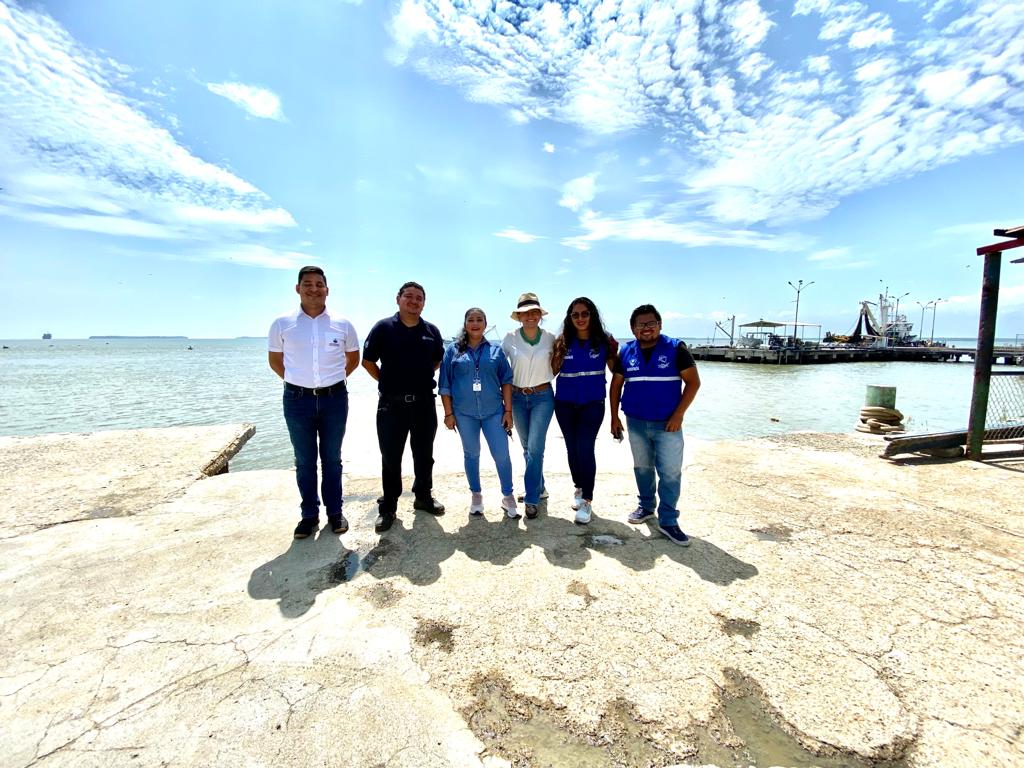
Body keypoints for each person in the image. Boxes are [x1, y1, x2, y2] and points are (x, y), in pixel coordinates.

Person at [268, 266, 360, 539]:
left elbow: (353, 359)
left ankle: (335, 512)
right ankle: (309, 515)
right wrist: (300, 382)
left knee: (332, 458)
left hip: (334, 399)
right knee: (305, 460)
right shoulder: (282, 324)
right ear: (298, 289)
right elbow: (275, 361)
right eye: (307, 284)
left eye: (319, 284)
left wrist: (331, 381)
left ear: (327, 290)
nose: (314, 289)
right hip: (297, 400)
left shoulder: (343, 324)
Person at [609, 304, 700, 546]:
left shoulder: (676, 348)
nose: (646, 328)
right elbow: (616, 386)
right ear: (633, 328)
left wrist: (679, 415)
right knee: (642, 467)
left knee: (670, 472)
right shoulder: (626, 352)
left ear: (660, 325)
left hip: (668, 424)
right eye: (641, 324)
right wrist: (614, 417)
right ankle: (646, 506)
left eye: (651, 323)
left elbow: (693, 383)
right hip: (636, 422)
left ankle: (668, 520)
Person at [361, 281, 446, 534]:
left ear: (424, 303)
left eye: (419, 298)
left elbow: (437, 360)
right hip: (391, 405)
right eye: (408, 296)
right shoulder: (383, 327)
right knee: (391, 457)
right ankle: (389, 506)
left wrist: (417, 378)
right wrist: (388, 383)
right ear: (398, 299)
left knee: (424, 455)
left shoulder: (431, 331)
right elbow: (368, 361)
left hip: (424, 403)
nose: (414, 301)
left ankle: (423, 497)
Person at [439, 308, 518, 518]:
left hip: (494, 412)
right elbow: (445, 385)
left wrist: (508, 411)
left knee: (502, 454)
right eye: (471, 320)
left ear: (485, 324)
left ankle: (508, 495)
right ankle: (476, 495)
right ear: (465, 324)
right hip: (464, 414)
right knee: (471, 454)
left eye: (479, 320)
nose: (475, 323)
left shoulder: (495, 350)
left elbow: (507, 381)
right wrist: (448, 414)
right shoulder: (452, 350)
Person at [550, 297, 618, 525]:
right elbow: (551, 371)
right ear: (569, 318)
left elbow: (618, 372)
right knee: (572, 448)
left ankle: (587, 500)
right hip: (564, 404)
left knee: (586, 448)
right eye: (575, 315)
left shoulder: (604, 341)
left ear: (592, 316)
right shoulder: (562, 341)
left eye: (585, 314)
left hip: (592, 403)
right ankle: (578, 488)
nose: (580, 318)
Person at [502, 292, 555, 520]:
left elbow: (561, 363)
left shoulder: (551, 338)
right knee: (527, 448)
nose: (530, 316)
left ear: (540, 315)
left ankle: (532, 498)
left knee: (535, 448)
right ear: (519, 316)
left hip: (543, 397)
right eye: (525, 313)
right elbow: (498, 366)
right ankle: (540, 487)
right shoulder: (509, 338)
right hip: (516, 397)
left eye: (534, 312)